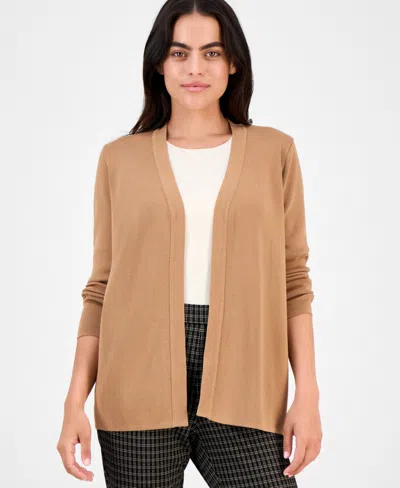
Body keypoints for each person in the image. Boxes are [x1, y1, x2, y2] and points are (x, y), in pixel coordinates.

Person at [56, 0, 322, 486]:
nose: (195, 68)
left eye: (211, 53)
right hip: (134, 385)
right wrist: (75, 401)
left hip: (248, 383)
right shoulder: (119, 159)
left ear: (233, 62)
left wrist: (308, 396)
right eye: (179, 53)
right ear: (159, 63)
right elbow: (101, 289)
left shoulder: (274, 152)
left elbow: (293, 282)